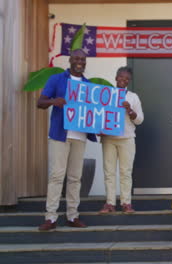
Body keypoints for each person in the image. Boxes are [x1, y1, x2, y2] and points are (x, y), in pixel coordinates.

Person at [37, 49, 97, 231]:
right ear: (70, 60)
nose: (80, 62)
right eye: (77, 58)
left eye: (83, 59)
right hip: (60, 135)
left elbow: (94, 112)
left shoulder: (89, 85)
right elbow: (40, 102)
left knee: (75, 178)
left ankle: (72, 215)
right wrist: (54, 102)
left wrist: (100, 124)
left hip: (80, 136)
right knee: (56, 176)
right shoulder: (56, 79)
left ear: (85, 62)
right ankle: (51, 217)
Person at [99, 67, 144, 214]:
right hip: (109, 139)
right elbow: (99, 114)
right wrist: (98, 128)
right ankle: (110, 203)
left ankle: (126, 203)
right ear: (116, 77)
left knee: (126, 172)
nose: (123, 81)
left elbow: (140, 120)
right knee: (109, 172)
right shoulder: (106, 95)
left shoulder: (133, 97)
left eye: (126, 79)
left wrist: (130, 110)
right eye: (121, 77)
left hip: (127, 138)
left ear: (129, 81)